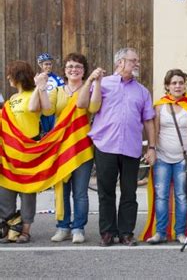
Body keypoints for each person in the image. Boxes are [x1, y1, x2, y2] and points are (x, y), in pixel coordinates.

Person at [77, 47, 156, 246]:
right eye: (133, 60)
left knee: (129, 192)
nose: (137, 63)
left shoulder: (142, 91)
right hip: (106, 146)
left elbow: (148, 121)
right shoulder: (103, 83)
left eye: (137, 60)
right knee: (106, 192)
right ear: (120, 62)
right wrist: (90, 81)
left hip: (131, 147)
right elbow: (84, 104)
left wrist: (152, 147)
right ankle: (107, 232)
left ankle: (126, 233)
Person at [41, 53, 102, 244]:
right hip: (60, 147)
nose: (73, 69)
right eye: (70, 67)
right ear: (65, 71)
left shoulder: (89, 88)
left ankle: (78, 228)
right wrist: (41, 88)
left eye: (78, 66)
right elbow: (47, 110)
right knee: (62, 190)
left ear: (84, 71)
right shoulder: (58, 91)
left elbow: (93, 108)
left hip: (82, 146)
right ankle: (63, 226)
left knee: (81, 192)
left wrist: (96, 82)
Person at [146, 69, 187, 245]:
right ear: (167, 86)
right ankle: (160, 232)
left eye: (181, 83)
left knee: (182, 196)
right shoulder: (159, 106)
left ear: (185, 85)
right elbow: (155, 130)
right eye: (174, 83)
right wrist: (151, 149)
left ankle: (181, 233)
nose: (177, 86)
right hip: (162, 157)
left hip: (183, 159)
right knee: (161, 195)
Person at [0, 60, 50, 243]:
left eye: (10, 74)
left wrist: (39, 87)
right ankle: (12, 225)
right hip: (8, 154)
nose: (8, 78)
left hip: (28, 151)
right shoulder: (11, 99)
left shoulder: (32, 95)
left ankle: (25, 231)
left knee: (27, 192)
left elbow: (43, 109)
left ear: (18, 76)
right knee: (5, 191)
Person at [36, 53, 65, 134]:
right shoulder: (36, 78)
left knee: (53, 133)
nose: (48, 66)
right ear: (40, 65)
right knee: (43, 134)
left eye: (50, 64)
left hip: (53, 111)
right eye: (46, 64)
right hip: (40, 111)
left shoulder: (57, 79)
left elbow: (63, 93)